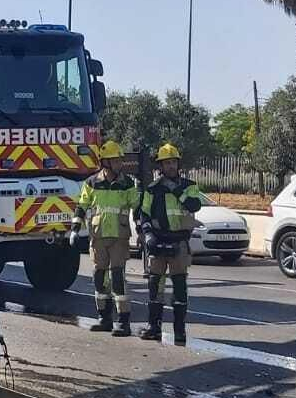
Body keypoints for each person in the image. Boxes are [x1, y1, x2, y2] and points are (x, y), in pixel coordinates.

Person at [134, 142, 208, 344]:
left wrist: (175, 190)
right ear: (160, 166)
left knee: (179, 287)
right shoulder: (152, 189)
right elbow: (144, 214)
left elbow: (194, 204)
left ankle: (179, 331)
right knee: (155, 286)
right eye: (166, 163)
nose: (170, 166)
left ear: (178, 164)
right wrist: (148, 236)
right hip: (157, 242)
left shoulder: (189, 186)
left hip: (179, 243)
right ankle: (153, 327)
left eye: (173, 162)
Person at [73, 140, 140, 337]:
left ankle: (124, 321)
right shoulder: (92, 183)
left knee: (118, 277)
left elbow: (136, 206)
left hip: (119, 236)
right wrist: (75, 228)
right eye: (116, 160)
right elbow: (82, 205)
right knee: (99, 277)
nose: (120, 164)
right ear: (106, 162)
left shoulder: (127, 183)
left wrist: (143, 228)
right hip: (98, 236)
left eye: (120, 160)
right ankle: (104, 318)